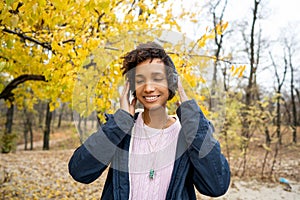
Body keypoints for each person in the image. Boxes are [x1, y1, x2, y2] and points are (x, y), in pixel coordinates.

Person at [68, 42, 231, 200]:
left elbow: (216, 186)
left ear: (171, 83)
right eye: (140, 80)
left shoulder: (189, 132)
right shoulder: (121, 129)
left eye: (157, 78)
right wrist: (119, 123)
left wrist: (192, 117)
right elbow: (80, 171)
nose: (148, 88)